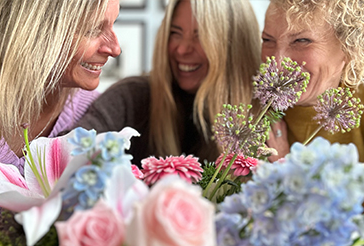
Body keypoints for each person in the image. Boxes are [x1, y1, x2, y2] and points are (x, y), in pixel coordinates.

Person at [0, 0, 121, 236]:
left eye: (114, 24)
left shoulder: (95, 114)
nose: (115, 49)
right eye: (93, 29)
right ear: (33, 29)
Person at [75, 0, 261, 165]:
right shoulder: (131, 99)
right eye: (175, 33)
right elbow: (65, 153)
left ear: (233, 46)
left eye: (200, 35)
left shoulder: (263, 116)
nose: (182, 49)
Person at [262, 0, 364, 212]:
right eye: (267, 40)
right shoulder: (257, 106)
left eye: (302, 41)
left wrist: (296, 177)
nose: (276, 62)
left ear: (351, 47)